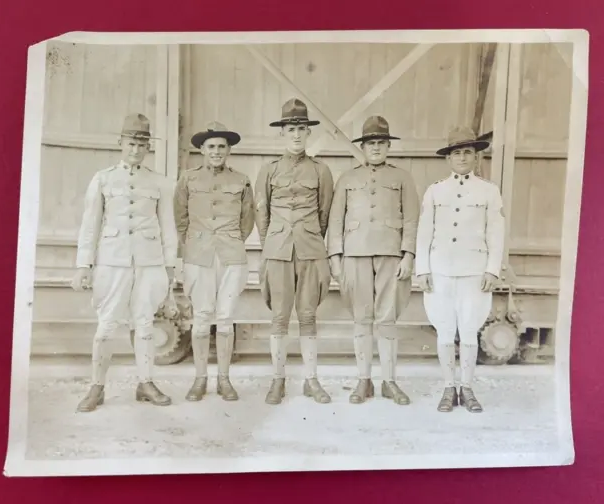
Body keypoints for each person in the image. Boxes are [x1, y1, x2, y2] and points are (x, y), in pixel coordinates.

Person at [71, 113, 177, 412]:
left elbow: (168, 228)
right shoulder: (103, 178)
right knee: (106, 327)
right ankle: (97, 387)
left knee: (144, 326)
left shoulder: (160, 183)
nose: (136, 150)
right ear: (121, 143)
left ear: (148, 148)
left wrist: (169, 270)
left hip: (148, 263)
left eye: (142, 144)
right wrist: (83, 265)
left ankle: (145, 383)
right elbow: (90, 225)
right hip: (112, 262)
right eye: (131, 143)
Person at [327, 116, 420, 405]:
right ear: (363, 147)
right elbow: (335, 219)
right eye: (371, 143)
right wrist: (335, 256)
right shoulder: (347, 178)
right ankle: (363, 381)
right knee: (361, 319)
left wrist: (409, 254)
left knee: (387, 318)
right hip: (355, 254)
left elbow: (413, 219)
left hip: (391, 254)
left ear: (388, 146)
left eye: (381, 143)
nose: (376, 148)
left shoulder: (402, 178)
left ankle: (390, 382)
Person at [415, 126, 505, 413]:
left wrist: (492, 270)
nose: (463, 157)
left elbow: (496, 233)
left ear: (476, 157)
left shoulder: (489, 191)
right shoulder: (435, 191)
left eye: (468, 152)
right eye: (457, 152)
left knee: (468, 332)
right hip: (440, 271)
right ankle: (448, 387)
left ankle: (466, 388)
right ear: (448, 158)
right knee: (444, 332)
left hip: (474, 273)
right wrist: (423, 269)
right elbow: (424, 232)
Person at [254, 98, 335, 405]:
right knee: (279, 316)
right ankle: (278, 380)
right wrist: (271, 244)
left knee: (308, 315)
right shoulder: (269, 170)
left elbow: (324, 212)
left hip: (311, 250)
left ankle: (311, 380)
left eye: (301, 129)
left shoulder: (321, 170)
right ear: (282, 133)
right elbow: (262, 214)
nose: (297, 135)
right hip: (277, 251)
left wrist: (310, 238)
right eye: (291, 129)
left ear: (308, 132)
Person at [174, 122, 255, 402]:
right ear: (202, 150)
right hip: (199, 256)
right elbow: (180, 219)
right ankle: (199, 379)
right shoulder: (187, 179)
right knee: (201, 318)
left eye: (222, 146)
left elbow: (247, 221)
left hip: (231, 256)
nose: (217, 151)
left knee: (225, 319)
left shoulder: (241, 180)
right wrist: (197, 244)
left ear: (229, 150)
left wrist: (229, 240)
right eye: (211, 147)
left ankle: (224, 379)